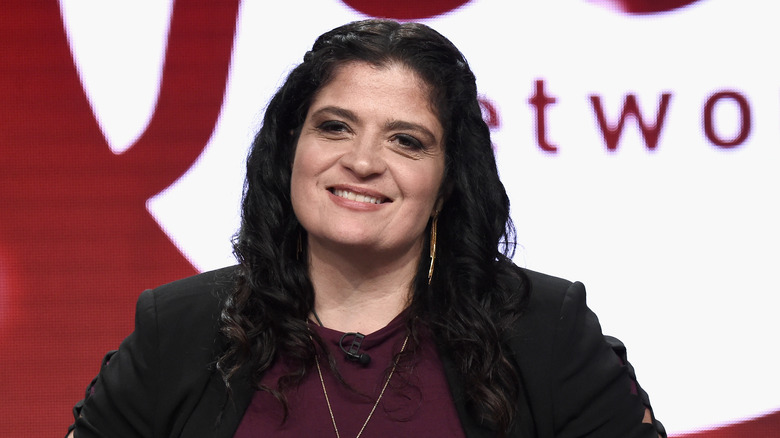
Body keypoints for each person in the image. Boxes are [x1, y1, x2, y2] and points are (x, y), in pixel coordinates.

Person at [67, 19, 664, 438]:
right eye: (334, 127)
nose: (362, 161)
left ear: (448, 181)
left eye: (406, 140)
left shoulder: (544, 330)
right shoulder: (177, 329)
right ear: (289, 151)